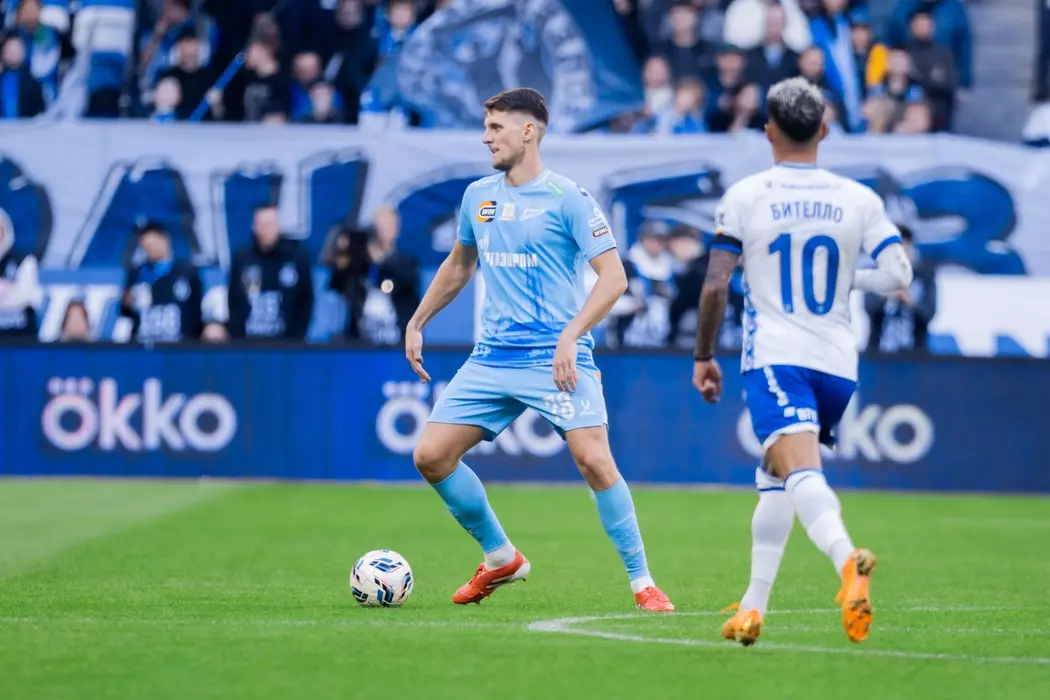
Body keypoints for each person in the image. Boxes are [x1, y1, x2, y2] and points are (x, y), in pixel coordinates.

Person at [405, 88, 674, 612]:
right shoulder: (477, 197)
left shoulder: (568, 197)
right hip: (492, 357)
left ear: (528, 132)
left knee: (594, 460)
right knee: (431, 456)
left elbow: (613, 277)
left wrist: (571, 335)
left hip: (555, 357)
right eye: (486, 127)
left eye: (496, 128)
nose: (486, 138)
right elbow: (459, 265)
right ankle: (500, 556)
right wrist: (418, 321)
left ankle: (643, 582)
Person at [691, 77, 913, 646]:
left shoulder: (747, 195)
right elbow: (899, 273)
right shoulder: (858, 198)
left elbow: (716, 285)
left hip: (776, 358)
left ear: (769, 131)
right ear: (825, 130)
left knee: (800, 472)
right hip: (837, 364)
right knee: (774, 475)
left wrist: (703, 354)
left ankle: (847, 562)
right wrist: (847, 280)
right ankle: (752, 608)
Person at [120, 221, 203, 344]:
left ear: (165, 240)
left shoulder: (187, 272)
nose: (149, 250)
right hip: (143, 344)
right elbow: (126, 313)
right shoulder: (137, 274)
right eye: (146, 247)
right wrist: (126, 303)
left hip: (179, 345)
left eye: (152, 244)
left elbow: (196, 313)